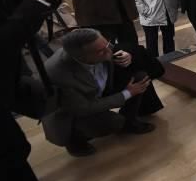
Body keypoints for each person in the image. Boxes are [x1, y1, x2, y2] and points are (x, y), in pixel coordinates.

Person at [0, 0, 80, 181]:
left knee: (10, 147)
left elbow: (18, 26)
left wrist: (48, 1)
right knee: (10, 147)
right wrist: (34, 3)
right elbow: (5, 42)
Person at [42, 29, 156, 157]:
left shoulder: (97, 47)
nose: (109, 51)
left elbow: (108, 49)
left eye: (107, 44)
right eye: (102, 51)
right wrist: (127, 93)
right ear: (81, 57)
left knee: (140, 77)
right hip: (72, 113)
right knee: (113, 122)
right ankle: (75, 140)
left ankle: (129, 121)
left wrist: (126, 54)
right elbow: (84, 108)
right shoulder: (57, 72)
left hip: (96, 89)